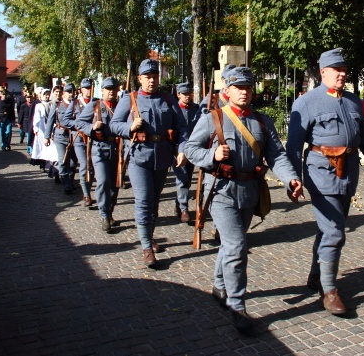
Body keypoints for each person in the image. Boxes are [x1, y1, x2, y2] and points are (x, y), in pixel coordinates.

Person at [185, 66, 303, 335]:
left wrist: (290, 179)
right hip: (221, 192)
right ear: (226, 91)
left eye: (248, 87)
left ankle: (219, 284)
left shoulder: (262, 122)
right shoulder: (213, 118)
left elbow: (277, 155)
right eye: (238, 87)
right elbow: (190, 148)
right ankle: (237, 305)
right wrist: (212, 155)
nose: (244, 92)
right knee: (237, 246)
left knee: (230, 245)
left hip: (250, 192)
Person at [285, 48, 364, 316]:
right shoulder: (306, 103)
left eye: (344, 70)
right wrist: (293, 180)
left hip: (348, 174)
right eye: (336, 70)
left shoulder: (352, 101)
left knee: (328, 229)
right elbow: (293, 146)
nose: (342, 74)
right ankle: (328, 291)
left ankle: (316, 276)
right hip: (320, 174)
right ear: (323, 72)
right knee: (334, 232)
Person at [109, 59, 189, 268]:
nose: (152, 80)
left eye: (154, 77)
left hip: (162, 157)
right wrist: (130, 127)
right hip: (139, 157)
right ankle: (146, 247)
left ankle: (150, 237)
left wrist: (182, 150)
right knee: (144, 200)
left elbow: (182, 128)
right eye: (147, 77)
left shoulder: (168, 99)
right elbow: (114, 125)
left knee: (154, 202)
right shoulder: (130, 99)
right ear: (140, 79)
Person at [75, 77, 121, 232]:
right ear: (102, 91)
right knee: (102, 181)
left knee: (115, 184)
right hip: (99, 149)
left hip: (117, 149)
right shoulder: (94, 105)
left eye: (114, 89)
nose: (111, 92)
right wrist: (92, 127)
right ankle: (104, 215)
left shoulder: (122, 106)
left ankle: (110, 212)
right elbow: (79, 123)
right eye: (108, 89)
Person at [63, 78, 96, 206]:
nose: (89, 90)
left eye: (90, 87)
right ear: (81, 89)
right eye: (86, 88)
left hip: (93, 139)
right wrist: (78, 125)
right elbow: (65, 121)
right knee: (84, 165)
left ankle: (88, 190)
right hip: (79, 138)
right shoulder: (75, 103)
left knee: (91, 167)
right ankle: (86, 195)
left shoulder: (96, 102)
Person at [172, 82, 200, 223]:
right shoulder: (173, 109)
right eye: (184, 94)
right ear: (178, 94)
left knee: (187, 179)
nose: (187, 96)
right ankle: (184, 208)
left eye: (189, 93)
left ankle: (179, 202)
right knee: (182, 178)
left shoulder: (197, 109)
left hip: (193, 149)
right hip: (178, 149)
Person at [45, 84, 77, 194]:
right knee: (63, 160)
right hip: (60, 136)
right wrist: (47, 136)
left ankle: (70, 180)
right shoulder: (58, 105)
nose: (71, 94)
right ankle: (66, 184)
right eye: (68, 91)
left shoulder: (76, 105)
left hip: (74, 137)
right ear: (64, 93)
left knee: (73, 162)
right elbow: (50, 121)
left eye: (72, 91)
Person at [32, 89, 59, 174]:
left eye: (48, 95)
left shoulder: (52, 104)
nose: (47, 96)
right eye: (45, 95)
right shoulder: (39, 105)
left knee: (51, 148)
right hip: (42, 128)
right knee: (43, 148)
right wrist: (35, 128)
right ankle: (42, 164)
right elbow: (36, 118)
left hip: (51, 127)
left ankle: (51, 165)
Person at [0, 87, 16, 151]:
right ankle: (3, 145)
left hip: (8, 118)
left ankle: (8, 144)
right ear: (0, 95)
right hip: (1, 118)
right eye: (3, 95)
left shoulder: (10, 102)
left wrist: (13, 119)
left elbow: (12, 111)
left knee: (8, 132)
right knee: (2, 133)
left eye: (5, 95)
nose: (4, 96)